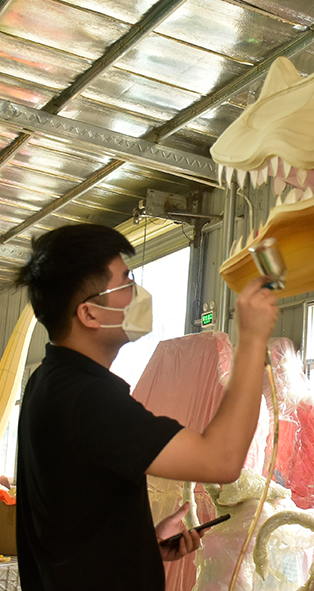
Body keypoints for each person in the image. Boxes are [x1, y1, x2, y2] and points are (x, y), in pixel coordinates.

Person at [14, 223, 279, 590]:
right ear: (89, 314)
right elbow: (222, 459)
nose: (138, 294)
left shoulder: (48, 381)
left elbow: (68, 525)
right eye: (126, 284)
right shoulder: (88, 398)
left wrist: (139, 545)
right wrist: (251, 338)